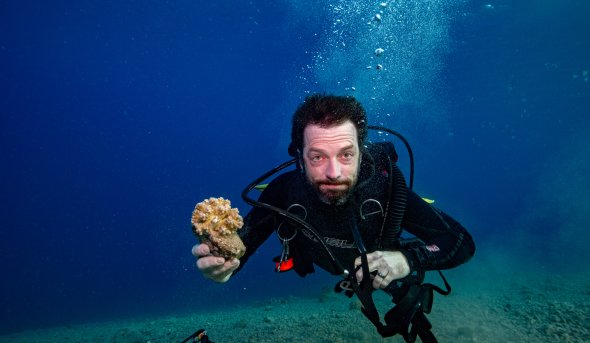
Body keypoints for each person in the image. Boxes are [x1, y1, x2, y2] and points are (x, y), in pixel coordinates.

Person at [192, 94, 475, 340]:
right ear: (299, 157)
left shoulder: (387, 189)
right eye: (317, 157)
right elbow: (239, 250)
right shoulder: (283, 193)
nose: (334, 173)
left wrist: (407, 259)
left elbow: (460, 241)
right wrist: (223, 266)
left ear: (361, 154)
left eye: (346, 155)